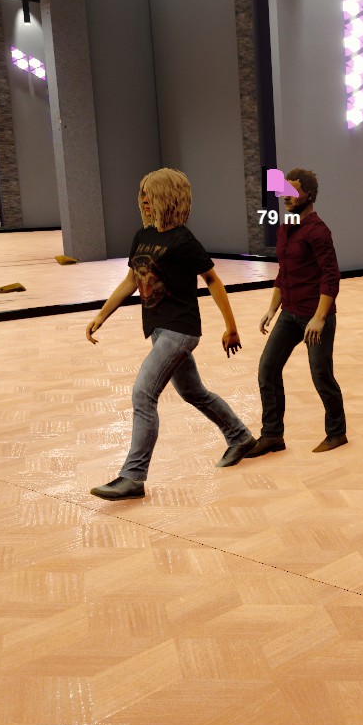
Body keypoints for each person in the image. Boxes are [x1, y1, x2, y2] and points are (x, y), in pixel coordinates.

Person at [85, 167, 256, 500]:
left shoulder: (182, 240)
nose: (144, 200)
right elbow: (132, 281)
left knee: (143, 394)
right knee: (194, 392)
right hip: (158, 328)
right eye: (142, 195)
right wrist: (102, 315)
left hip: (181, 329)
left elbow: (212, 280)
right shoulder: (142, 236)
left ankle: (133, 477)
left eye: (151, 195)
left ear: (168, 198)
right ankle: (240, 437)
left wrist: (231, 327)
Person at [248, 167, 348, 456]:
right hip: (289, 314)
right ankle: (272, 436)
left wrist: (319, 318)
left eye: (292, 191)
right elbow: (284, 272)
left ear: (310, 195)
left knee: (321, 375)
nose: (285, 196)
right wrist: (272, 309)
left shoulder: (318, 232)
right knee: (267, 368)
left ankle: (337, 433)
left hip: (315, 317)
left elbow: (331, 277)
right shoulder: (285, 228)